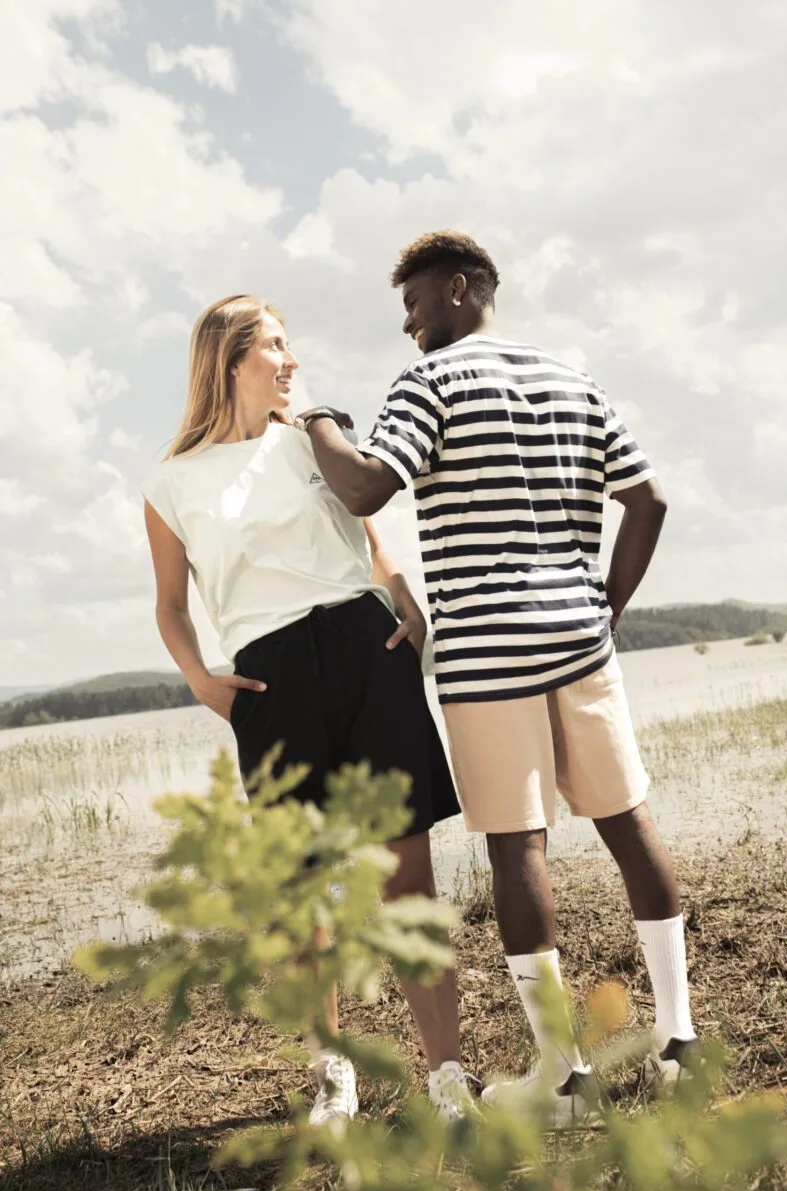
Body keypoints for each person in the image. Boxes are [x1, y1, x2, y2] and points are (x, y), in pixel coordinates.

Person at [298, 231, 701, 1126]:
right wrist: (608, 604)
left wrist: (320, 420)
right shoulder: (572, 377)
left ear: (459, 287)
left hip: (488, 655)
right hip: (580, 641)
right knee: (631, 828)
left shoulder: (431, 384)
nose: (407, 327)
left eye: (413, 305)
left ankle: (563, 1081)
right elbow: (650, 498)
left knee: (517, 849)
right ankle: (680, 1045)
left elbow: (367, 489)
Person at [141, 294, 476, 1126]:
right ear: (228, 360)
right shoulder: (171, 483)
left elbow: (373, 544)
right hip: (270, 677)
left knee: (408, 877)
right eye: (276, 346)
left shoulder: (312, 443)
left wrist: (408, 604)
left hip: (368, 653)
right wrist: (200, 679)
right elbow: (172, 606)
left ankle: (449, 1076)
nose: (292, 360)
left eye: (291, 345)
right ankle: (336, 1081)